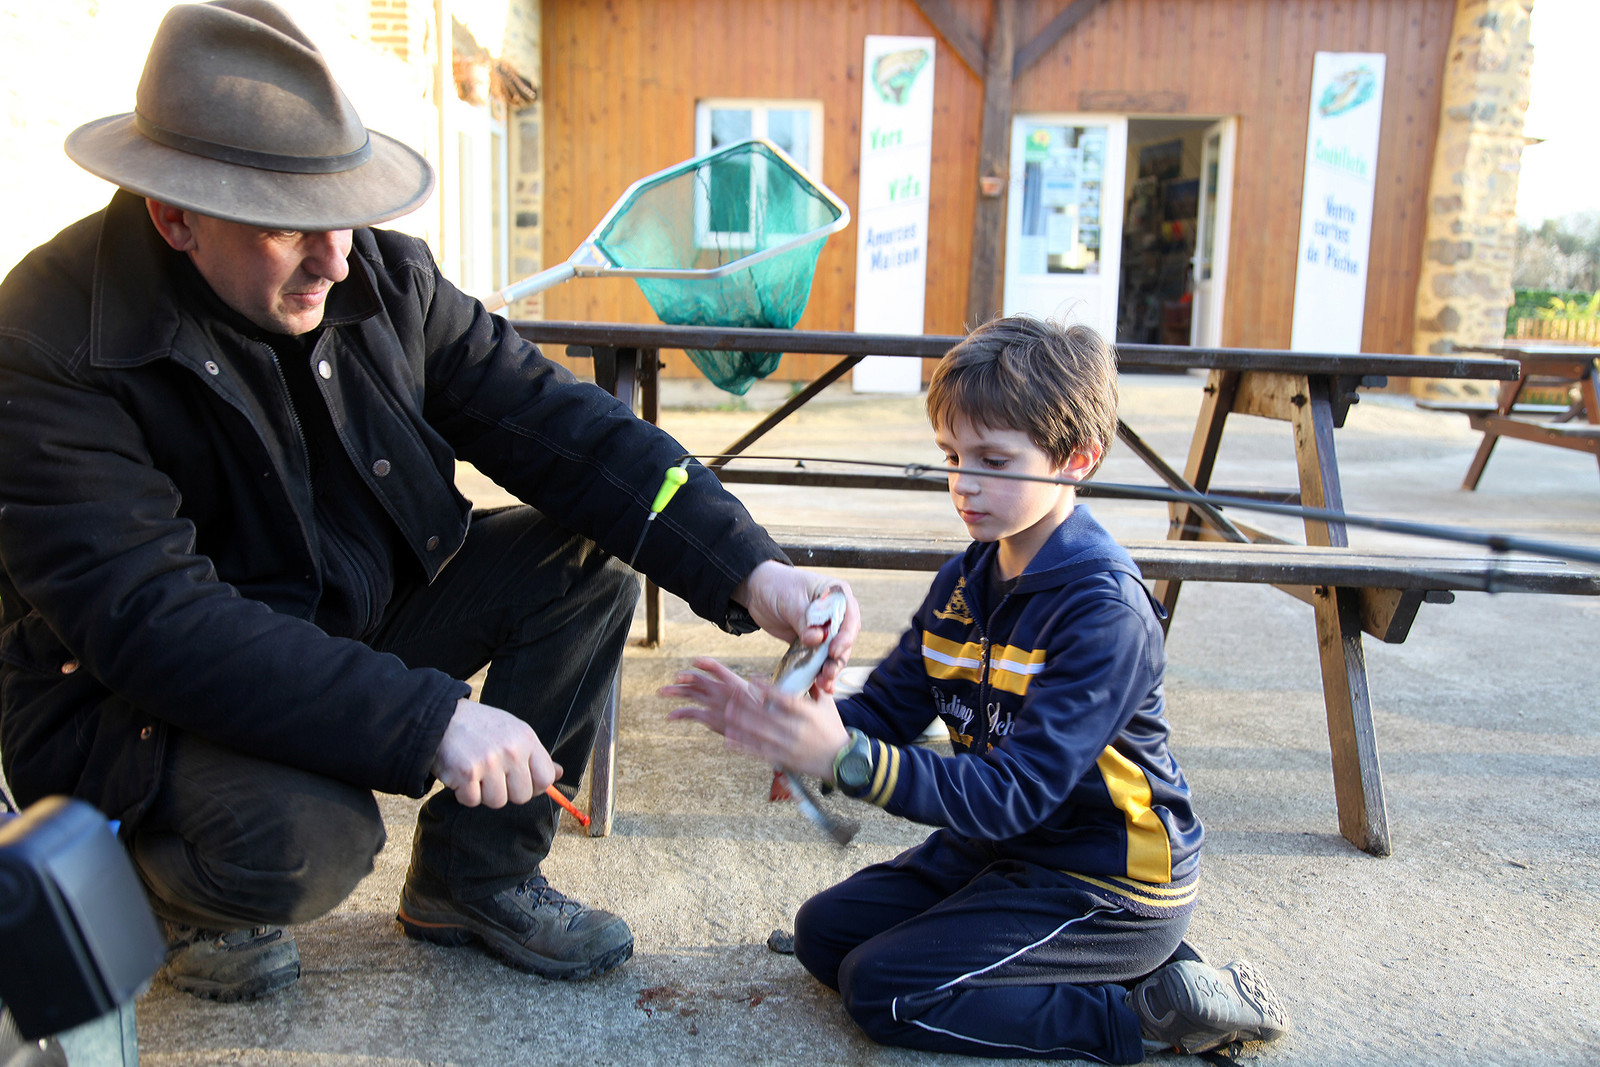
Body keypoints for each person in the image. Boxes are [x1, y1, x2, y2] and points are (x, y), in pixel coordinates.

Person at [0, 0, 858, 1003]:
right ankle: (180, 894)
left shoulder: (383, 278)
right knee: (309, 837)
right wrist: (432, 717)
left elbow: (567, 431)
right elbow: (153, 622)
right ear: (174, 216)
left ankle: (473, 875)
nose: (336, 260)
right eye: (288, 230)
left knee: (578, 559)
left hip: (344, 610)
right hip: (136, 701)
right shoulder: (48, 348)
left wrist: (753, 571)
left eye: (346, 215)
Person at [661, 315, 1290, 1062]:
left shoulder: (1105, 613)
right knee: (824, 936)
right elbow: (890, 708)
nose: (964, 483)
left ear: (1075, 459)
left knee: (883, 988)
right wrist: (801, 723)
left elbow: (1013, 790)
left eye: (993, 459)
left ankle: (1145, 1012)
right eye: (952, 456)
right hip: (997, 850)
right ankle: (1112, 968)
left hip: (1108, 881)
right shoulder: (966, 580)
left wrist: (849, 759)